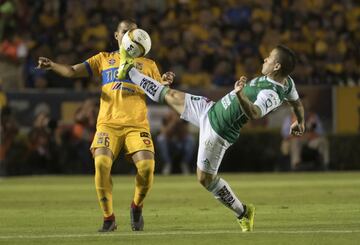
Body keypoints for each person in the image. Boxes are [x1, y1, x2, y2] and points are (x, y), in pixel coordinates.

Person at [117, 44, 305, 232]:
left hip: (218, 132)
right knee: (169, 94)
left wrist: (240, 95)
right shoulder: (287, 82)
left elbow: (255, 113)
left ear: (277, 67)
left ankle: (243, 212)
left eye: (269, 58)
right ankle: (130, 70)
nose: (265, 59)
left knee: (205, 179)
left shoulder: (270, 93)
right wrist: (300, 121)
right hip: (210, 110)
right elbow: (296, 103)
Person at [37, 20, 174, 232]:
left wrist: (164, 82)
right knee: (101, 164)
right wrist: (53, 65)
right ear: (117, 36)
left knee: (147, 168)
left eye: (134, 32)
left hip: (136, 125)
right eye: (126, 31)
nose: (131, 35)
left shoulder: (148, 64)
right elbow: (73, 71)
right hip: (108, 124)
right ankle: (108, 218)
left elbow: (158, 92)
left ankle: (136, 206)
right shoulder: (104, 59)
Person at [156, 109, 195, 175]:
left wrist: (179, 123)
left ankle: (184, 163)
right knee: (161, 139)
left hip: (181, 143)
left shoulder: (184, 117)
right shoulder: (166, 117)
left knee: (190, 140)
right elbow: (164, 133)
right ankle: (167, 163)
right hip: (169, 143)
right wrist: (173, 122)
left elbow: (185, 133)